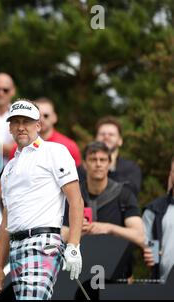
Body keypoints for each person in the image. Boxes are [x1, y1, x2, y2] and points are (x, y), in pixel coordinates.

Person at [0, 99, 83, 300]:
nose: (21, 127)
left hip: (44, 243)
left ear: (38, 125)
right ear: (10, 127)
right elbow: (7, 220)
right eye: (16, 122)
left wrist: (74, 245)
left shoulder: (55, 151)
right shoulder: (9, 169)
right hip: (16, 247)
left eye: (27, 121)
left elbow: (75, 200)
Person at [62, 141, 145, 280]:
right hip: (78, 273)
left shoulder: (124, 195)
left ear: (109, 163)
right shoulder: (73, 195)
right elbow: (59, 235)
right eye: (93, 160)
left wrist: (108, 228)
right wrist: (77, 230)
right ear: (84, 164)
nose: (98, 164)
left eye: (103, 160)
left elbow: (140, 236)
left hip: (117, 271)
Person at [78, 116, 142, 197]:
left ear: (120, 141)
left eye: (111, 134)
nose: (106, 137)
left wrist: (110, 169)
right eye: (102, 134)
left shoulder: (131, 168)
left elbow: (131, 194)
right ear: (95, 139)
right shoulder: (82, 169)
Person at [8, 97, 82, 166]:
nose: (41, 119)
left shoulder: (69, 146)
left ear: (55, 117)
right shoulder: (17, 149)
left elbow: (78, 177)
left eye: (46, 115)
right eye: (38, 116)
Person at [143, 155, 174, 282]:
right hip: (163, 285)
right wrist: (151, 254)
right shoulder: (154, 209)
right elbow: (148, 243)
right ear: (171, 174)